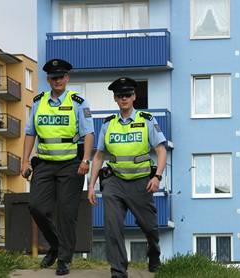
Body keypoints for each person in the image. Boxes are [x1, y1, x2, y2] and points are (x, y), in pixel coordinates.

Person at [87, 77, 167, 278]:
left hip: (141, 182)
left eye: (128, 95)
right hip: (114, 182)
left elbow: (161, 150)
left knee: (149, 227)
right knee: (112, 226)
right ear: (115, 99)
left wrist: (157, 177)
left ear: (134, 97)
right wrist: (91, 185)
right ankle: (118, 270)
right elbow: (98, 156)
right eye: (120, 95)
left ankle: (154, 254)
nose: (124, 98)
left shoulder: (146, 120)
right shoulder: (108, 124)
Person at [21, 59, 94, 276]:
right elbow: (30, 132)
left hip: (71, 164)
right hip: (43, 163)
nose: (57, 80)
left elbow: (88, 133)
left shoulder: (78, 102)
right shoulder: (38, 101)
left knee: (67, 212)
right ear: (48, 80)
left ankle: (64, 259)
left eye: (61, 77)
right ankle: (55, 244)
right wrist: (25, 161)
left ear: (67, 78)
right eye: (53, 77)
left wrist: (86, 160)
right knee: (36, 206)